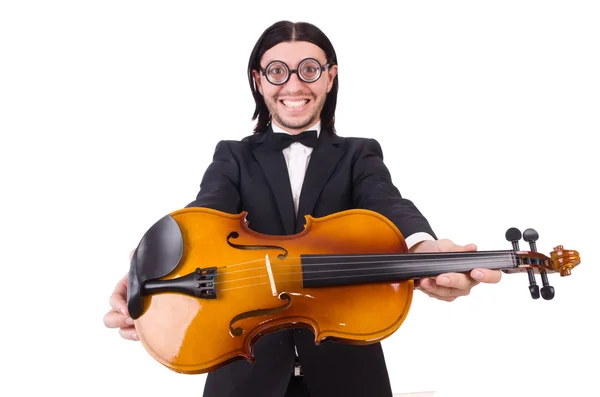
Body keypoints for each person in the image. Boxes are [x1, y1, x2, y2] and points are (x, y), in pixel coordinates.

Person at [103, 20, 502, 397]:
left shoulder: (359, 154)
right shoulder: (233, 156)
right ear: (259, 81)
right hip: (242, 371)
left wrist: (423, 249)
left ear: (330, 76)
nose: (293, 84)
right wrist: (152, 271)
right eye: (277, 71)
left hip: (350, 376)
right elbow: (203, 217)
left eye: (308, 69)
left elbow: (387, 201)